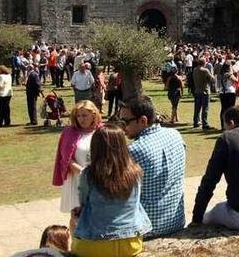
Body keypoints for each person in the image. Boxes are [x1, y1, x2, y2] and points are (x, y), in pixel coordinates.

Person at [71, 124, 151, 257]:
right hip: (131, 243)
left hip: (95, 243)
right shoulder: (136, 172)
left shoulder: (88, 174)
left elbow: (83, 202)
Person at [120, 96, 186, 237]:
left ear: (143, 121)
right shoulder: (176, 135)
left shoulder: (134, 150)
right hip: (176, 221)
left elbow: (120, 192)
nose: (122, 127)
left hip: (147, 228)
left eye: (125, 121)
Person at [54, 101, 102, 215]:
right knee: (77, 216)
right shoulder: (69, 132)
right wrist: (84, 173)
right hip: (77, 179)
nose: (81, 119)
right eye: (78, 116)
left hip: (98, 179)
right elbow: (66, 159)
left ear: (93, 115)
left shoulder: (102, 131)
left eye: (84, 115)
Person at [192, 59, 216, 130]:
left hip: (197, 90)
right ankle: (205, 123)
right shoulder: (205, 70)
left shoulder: (195, 70)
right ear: (204, 63)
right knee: (205, 108)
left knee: (197, 108)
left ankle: (195, 122)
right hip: (205, 91)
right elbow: (212, 79)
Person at [218, 62, 238, 130]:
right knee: (231, 109)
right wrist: (236, 74)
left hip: (222, 92)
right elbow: (236, 80)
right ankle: (230, 125)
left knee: (223, 109)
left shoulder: (220, 74)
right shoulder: (229, 74)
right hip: (230, 92)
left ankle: (223, 125)